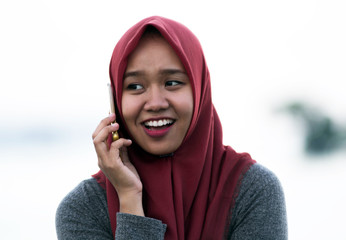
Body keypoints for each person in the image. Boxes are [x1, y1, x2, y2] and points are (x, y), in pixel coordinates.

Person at [56, 16, 287, 240]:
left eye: (172, 83)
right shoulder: (82, 210)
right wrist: (128, 198)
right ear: (115, 99)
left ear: (200, 90)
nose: (156, 103)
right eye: (135, 86)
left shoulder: (252, 191)